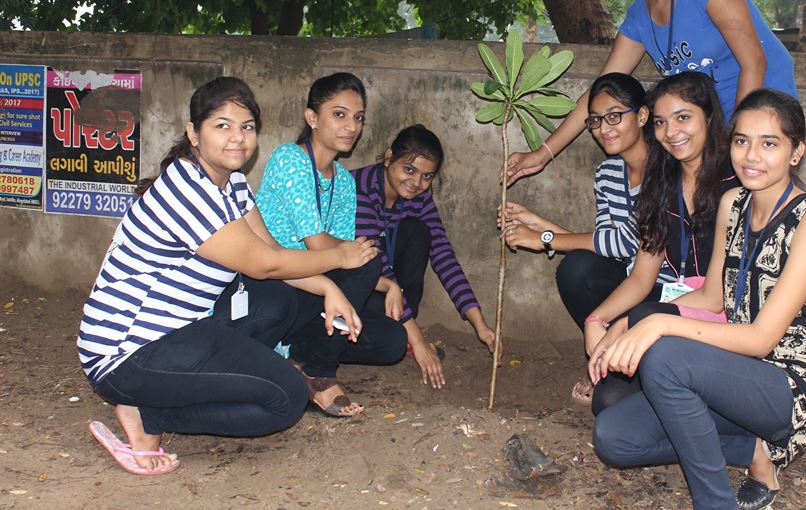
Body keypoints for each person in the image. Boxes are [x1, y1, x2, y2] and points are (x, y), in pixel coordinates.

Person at [78, 77, 377, 475]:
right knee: (286, 398)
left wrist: (326, 287)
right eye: (223, 125)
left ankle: (154, 404)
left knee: (278, 322)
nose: (238, 137)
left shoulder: (232, 184)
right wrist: (339, 256)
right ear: (194, 133)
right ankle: (149, 414)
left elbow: (272, 252)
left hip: (182, 332)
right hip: (127, 352)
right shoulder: (187, 190)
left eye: (247, 127)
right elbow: (264, 265)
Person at [588, 89, 806, 510]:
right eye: (742, 141)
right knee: (614, 436)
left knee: (665, 353)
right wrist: (631, 320)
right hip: (735, 372)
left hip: (791, 386)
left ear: (796, 151)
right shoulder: (733, 203)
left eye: (769, 143)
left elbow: (761, 339)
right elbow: (712, 298)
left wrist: (659, 326)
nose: (751, 156)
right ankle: (754, 451)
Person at [505, 0, 796, 187]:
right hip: (710, 128)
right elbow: (598, 94)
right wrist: (543, 154)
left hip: (762, 108)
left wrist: (736, 140)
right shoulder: (638, 19)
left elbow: (754, 62)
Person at [584, 72, 738, 413]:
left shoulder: (735, 184)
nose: (670, 132)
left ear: (708, 117)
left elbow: (715, 298)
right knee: (610, 403)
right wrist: (596, 320)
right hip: (678, 309)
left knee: (625, 401)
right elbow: (642, 277)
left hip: (729, 322)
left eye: (683, 117)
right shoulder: (662, 183)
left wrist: (629, 322)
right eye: (660, 122)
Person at [257, 72, 407, 416]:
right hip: (277, 287)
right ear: (312, 118)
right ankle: (319, 373)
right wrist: (360, 260)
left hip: (314, 291)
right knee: (364, 259)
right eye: (339, 115)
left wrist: (389, 285)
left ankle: (297, 358)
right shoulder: (289, 159)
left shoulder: (343, 182)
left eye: (358, 118)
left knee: (391, 341)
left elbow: (344, 254)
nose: (351, 126)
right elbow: (319, 244)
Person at [499, 73, 648, 402]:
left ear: (642, 115)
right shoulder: (608, 173)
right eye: (595, 120)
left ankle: (628, 362)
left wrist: (545, 238)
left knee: (613, 403)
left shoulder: (664, 170)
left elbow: (627, 243)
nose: (604, 128)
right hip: (628, 281)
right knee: (578, 268)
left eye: (614, 116)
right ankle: (607, 359)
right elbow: (605, 246)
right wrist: (537, 223)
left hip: (661, 290)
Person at [353, 124, 497, 389]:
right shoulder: (360, 189)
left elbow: (443, 254)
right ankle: (402, 333)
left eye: (427, 176)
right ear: (389, 157)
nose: (417, 183)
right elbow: (377, 264)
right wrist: (418, 340)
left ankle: (402, 329)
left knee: (418, 232)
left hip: (388, 291)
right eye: (409, 170)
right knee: (392, 345)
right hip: (350, 286)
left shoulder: (418, 198)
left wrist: (480, 323)